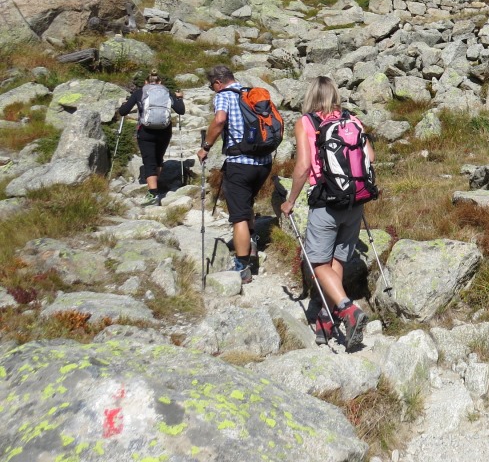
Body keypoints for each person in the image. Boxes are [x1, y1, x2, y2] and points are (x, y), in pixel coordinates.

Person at [281, 76, 371, 350]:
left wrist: (290, 201)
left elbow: (303, 166)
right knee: (338, 260)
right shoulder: (352, 120)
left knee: (317, 263)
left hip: (325, 201)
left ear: (310, 96)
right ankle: (325, 319)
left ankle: (347, 309)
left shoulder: (306, 123)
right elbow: (370, 157)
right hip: (355, 199)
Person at [196, 65, 272, 284]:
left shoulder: (224, 96)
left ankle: (242, 266)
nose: (213, 90)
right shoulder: (252, 94)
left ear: (218, 83)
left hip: (240, 164)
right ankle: (252, 243)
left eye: (212, 86)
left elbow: (220, 120)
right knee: (246, 203)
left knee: (238, 215)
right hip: (263, 163)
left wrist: (206, 147)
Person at [117, 69, 185, 206]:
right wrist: (179, 98)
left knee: (149, 161)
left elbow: (123, 112)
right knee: (159, 159)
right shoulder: (167, 92)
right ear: (160, 82)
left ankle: (153, 193)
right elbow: (181, 111)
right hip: (165, 131)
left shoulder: (139, 92)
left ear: (146, 82)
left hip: (146, 131)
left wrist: (125, 104)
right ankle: (157, 188)